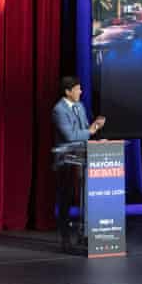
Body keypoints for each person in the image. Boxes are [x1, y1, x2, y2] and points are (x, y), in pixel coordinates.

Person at [52, 76, 105, 250]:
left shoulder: (80, 106)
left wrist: (95, 127)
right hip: (66, 160)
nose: (81, 92)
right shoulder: (59, 110)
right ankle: (65, 237)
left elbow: (84, 131)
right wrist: (89, 131)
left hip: (82, 158)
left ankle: (86, 234)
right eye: (77, 89)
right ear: (68, 92)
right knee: (66, 198)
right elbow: (70, 136)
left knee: (86, 197)